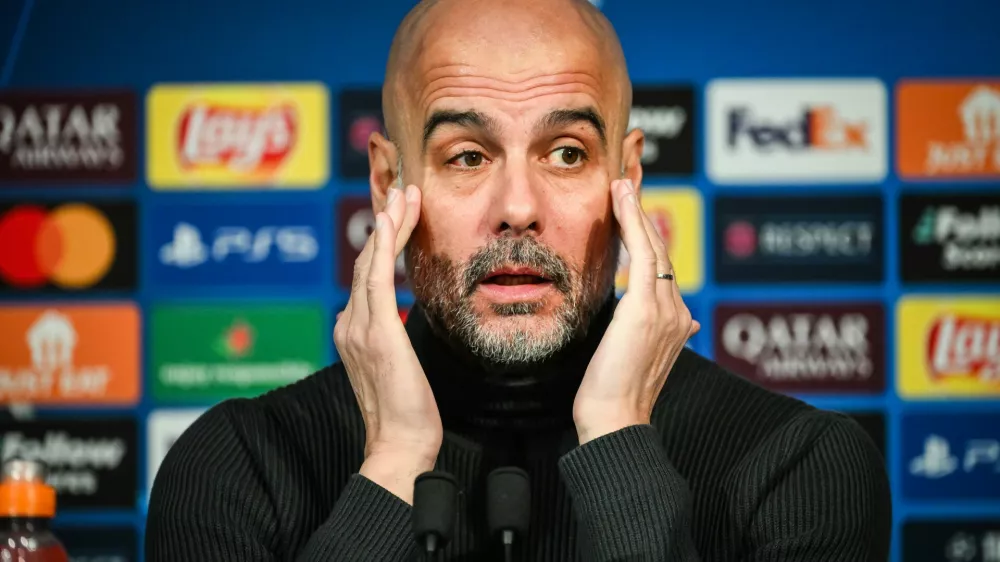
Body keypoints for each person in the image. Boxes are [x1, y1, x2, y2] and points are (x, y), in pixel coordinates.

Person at [145, 0, 892, 560]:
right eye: (466, 156)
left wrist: (620, 444)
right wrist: (397, 463)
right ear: (385, 183)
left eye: (566, 153)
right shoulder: (238, 468)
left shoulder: (799, 468)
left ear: (626, 176)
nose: (518, 210)